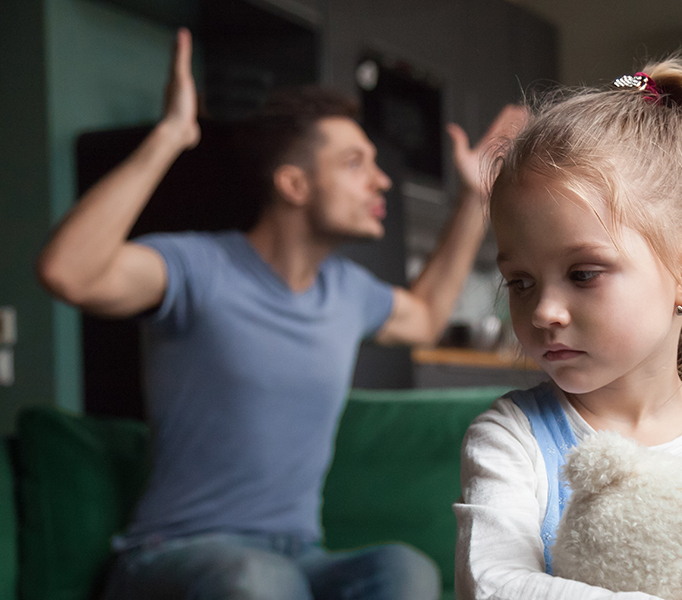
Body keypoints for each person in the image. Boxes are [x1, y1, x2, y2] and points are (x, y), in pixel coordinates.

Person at [36, 28, 526, 600]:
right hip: (172, 552)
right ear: (294, 184)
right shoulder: (199, 268)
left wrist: (475, 198)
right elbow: (69, 273)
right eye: (354, 163)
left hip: (297, 555)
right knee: (260, 581)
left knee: (403, 569)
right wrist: (170, 137)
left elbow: (422, 318)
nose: (381, 180)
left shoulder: (346, 291)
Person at [452, 59, 682, 600]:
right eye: (520, 282)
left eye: (583, 274)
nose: (544, 311)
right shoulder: (511, 438)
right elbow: (493, 585)